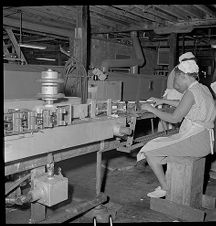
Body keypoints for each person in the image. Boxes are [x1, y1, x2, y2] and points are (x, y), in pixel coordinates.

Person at [137, 58, 216, 198]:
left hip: (196, 140)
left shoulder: (191, 92)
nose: (176, 82)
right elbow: (183, 103)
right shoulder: (203, 88)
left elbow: (174, 118)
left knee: (149, 149)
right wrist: (162, 100)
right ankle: (168, 184)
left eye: (177, 78)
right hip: (205, 139)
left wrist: (151, 109)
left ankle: (165, 187)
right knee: (159, 144)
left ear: (183, 76)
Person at [158, 52, 197, 132]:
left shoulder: (179, 69)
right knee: (171, 123)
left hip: (172, 97)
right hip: (174, 97)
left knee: (169, 122)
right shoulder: (182, 70)